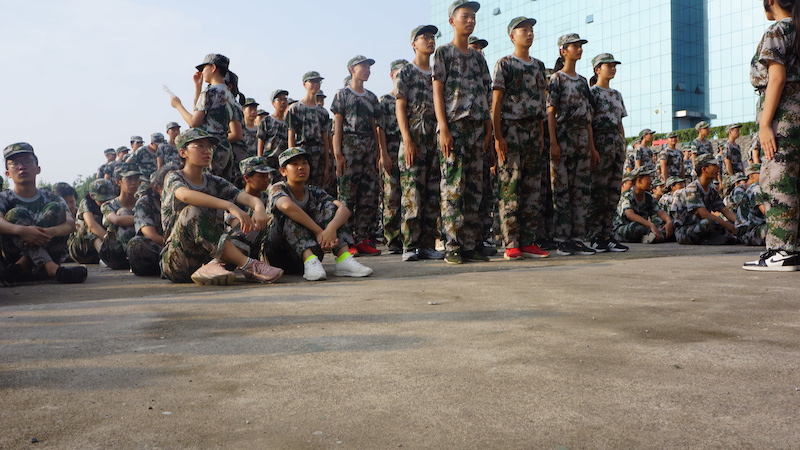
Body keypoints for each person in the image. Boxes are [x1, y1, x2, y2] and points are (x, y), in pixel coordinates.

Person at [160, 128, 283, 285]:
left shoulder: (214, 181)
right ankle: (249, 265)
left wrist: (259, 208)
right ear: (183, 152)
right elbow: (184, 195)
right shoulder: (174, 177)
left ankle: (214, 266)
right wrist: (229, 206)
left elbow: (247, 198)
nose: (207, 151)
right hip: (178, 261)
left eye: (210, 147)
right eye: (200, 146)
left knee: (254, 221)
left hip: (212, 259)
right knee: (193, 211)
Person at [432, 0, 493, 264]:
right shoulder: (443, 53)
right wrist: (443, 128)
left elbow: (487, 94)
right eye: (465, 16)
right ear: (452, 21)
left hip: (477, 127)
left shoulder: (479, 57)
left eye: (473, 17)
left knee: (475, 189)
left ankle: (470, 243)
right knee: (453, 188)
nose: (470, 20)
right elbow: (437, 91)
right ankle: (453, 245)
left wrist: (488, 129)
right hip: (455, 126)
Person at [744, 0, 800, 270]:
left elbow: (776, 77)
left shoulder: (778, 30)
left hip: (783, 117)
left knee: (777, 182)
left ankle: (783, 250)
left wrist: (765, 124)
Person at [491, 16, 550, 260]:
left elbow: (542, 107)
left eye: (531, 30)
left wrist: (543, 137)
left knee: (532, 188)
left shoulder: (538, 65)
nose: (529, 33)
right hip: (511, 130)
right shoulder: (504, 64)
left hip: (533, 132)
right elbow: (496, 103)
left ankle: (528, 241)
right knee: (511, 186)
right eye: (523, 30)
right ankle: (511, 242)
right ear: (512, 36)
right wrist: (497, 137)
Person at [264, 147, 373, 281]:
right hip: (278, 256)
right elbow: (286, 206)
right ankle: (309, 259)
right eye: (294, 164)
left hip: (310, 254)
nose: (301, 167)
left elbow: (343, 209)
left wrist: (330, 229)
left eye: (304, 163)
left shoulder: (314, 191)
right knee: (287, 214)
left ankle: (343, 258)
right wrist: (319, 232)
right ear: (283, 171)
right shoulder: (278, 188)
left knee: (330, 207)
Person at [0, 143, 86, 285]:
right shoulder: (4, 198)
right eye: (14, 164)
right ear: (7, 173)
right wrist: (22, 230)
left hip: (15, 272)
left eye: (27, 161)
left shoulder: (53, 198)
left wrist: (47, 232)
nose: (21, 167)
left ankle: (23, 263)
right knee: (15, 214)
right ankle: (53, 269)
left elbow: (71, 224)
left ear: (38, 169)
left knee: (55, 208)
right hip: (13, 262)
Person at [395, 25, 445, 262]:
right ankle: (410, 245)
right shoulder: (406, 72)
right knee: (412, 193)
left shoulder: (438, 71)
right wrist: (407, 139)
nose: (430, 41)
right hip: (414, 134)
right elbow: (401, 106)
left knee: (432, 192)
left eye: (433, 37)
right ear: (414, 43)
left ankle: (427, 244)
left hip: (435, 136)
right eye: (425, 37)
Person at [547, 33, 599, 256]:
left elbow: (587, 116)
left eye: (580, 46)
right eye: (574, 46)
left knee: (581, 190)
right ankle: (561, 238)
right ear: (563, 50)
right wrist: (553, 142)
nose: (579, 49)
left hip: (581, 138)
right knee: (562, 190)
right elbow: (551, 112)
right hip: (564, 134)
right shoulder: (556, 79)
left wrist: (592, 146)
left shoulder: (582, 81)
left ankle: (578, 238)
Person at [332, 56, 388, 256]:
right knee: (348, 195)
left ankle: (363, 237)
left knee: (368, 195)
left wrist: (380, 153)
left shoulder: (372, 97)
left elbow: (377, 127)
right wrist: (337, 153)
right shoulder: (342, 94)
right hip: (349, 147)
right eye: (363, 66)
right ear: (352, 69)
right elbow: (337, 125)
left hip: (369, 148)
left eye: (369, 67)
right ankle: (346, 241)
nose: (367, 70)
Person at [169, 53, 237, 181]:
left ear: (213, 68)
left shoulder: (210, 92)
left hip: (209, 147)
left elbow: (194, 122)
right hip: (225, 148)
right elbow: (198, 112)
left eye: (204, 68)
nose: (202, 72)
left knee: (209, 185)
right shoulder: (229, 94)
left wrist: (178, 105)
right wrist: (198, 87)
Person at [586, 52, 628, 253]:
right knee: (598, 191)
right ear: (597, 69)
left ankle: (608, 234)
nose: (612, 68)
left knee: (613, 192)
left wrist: (624, 146)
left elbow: (620, 123)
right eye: (608, 65)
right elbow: (589, 122)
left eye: (614, 65)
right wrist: (592, 148)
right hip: (601, 142)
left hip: (616, 143)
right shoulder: (592, 93)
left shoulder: (616, 94)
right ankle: (595, 236)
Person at [671, 154, 737, 245]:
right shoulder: (692, 189)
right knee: (710, 222)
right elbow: (704, 214)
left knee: (723, 223)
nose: (717, 168)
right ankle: (712, 239)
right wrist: (730, 227)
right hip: (685, 231)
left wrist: (739, 224)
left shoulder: (711, 189)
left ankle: (716, 238)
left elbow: (725, 211)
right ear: (704, 169)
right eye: (713, 165)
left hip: (701, 227)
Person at [378, 59, 408, 254]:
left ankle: (407, 236)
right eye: (398, 73)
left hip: (407, 150)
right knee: (391, 196)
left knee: (409, 196)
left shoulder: (409, 99)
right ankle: (392, 238)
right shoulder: (385, 101)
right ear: (391, 75)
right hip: (390, 149)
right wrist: (383, 154)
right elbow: (379, 129)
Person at [127, 165, 174, 276]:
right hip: (162, 247)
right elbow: (150, 235)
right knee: (136, 244)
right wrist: (175, 245)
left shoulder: (184, 198)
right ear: (157, 188)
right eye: (169, 187)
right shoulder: (145, 203)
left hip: (185, 248)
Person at [287, 72, 332, 189]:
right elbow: (291, 135)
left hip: (319, 153)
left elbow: (325, 139)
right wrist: (292, 159)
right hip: (301, 151)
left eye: (318, 82)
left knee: (317, 190)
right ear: (304, 84)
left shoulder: (323, 112)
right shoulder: (295, 108)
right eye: (312, 81)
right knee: (300, 188)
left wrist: (327, 166)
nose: (316, 84)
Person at [227, 156, 273, 260]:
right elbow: (238, 227)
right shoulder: (235, 199)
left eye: (267, 175)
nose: (266, 180)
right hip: (238, 247)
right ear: (246, 178)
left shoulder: (269, 199)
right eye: (261, 176)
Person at [613, 167, 673, 244]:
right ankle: (653, 236)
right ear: (639, 180)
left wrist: (669, 221)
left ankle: (653, 237)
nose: (651, 181)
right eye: (648, 179)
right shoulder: (627, 195)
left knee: (666, 226)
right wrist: (650, 225)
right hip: (625, 227)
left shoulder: (648, 197)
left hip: (645, 226)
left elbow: (660, 212)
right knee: (637, 227)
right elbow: (630, 215)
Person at [99, 163, 140, 270]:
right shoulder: (108, 205)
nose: (134, 183)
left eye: (136, 179)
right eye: (129, 179)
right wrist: (144, 220)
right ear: (118, 181)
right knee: (123, 212)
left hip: (138, 249)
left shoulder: (142, 202)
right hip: (115, 252)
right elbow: (117, 220)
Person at [257, 89, 289, 171]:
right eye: (280, 99)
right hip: (269, 161)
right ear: (273, 103)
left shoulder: (290, 122)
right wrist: (260, 161)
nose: (283, 102)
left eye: (285, 99)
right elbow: (261, 142)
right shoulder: (266, 120)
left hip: (284, 162)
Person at [737, 163, 767, 246]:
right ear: (752, 176)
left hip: (755, 227)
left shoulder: (760, 187)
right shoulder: (755, 188)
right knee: (778, 228)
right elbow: (766, 212)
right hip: (749, 231)